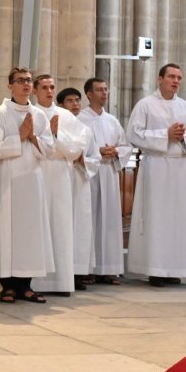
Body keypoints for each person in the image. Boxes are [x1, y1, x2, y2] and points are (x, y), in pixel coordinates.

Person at [125, 63, 186, 286]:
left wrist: (182, 137)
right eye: (171, 76)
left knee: (178, 218)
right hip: (156, 166)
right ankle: (155, 269)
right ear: (160, 79)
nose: (176, 81)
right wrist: (165, 134)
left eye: (179, 77)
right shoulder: (145, 105)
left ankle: (175, 268)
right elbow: (133, 133)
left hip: (179, 166)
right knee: (157, 216)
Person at [0, 67, 55, 303]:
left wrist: (33, 137)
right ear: (10, 86)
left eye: (28, 81)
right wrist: (20, 137)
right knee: (8, 230)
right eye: (20, 81)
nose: (26, 84)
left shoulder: (39, 114)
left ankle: (26, 285)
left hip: (32, 179)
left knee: (29, 232)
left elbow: (49, 148)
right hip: (7, 179)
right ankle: (7, 286)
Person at [30, 75, 87, 296]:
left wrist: (55, 134)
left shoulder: (66, 116)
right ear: (35, 90)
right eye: (44, 87)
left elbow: (76, 149)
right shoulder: (29, 113)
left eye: (52, 87)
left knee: (61, 224)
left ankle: (61, 281)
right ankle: (35, 282)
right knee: (38, 224)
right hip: (37, 171)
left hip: (60, 173)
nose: (49, 91)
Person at [80, 78, 133, 285]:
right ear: (89, 94)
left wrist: (115, 151)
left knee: (109, 221)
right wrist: (98, 151)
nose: (104, 93)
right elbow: (76, 144)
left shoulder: (112, 120)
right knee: (91, 220)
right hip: (90, 174)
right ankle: (88, 268)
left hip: (109, 173)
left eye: (105, 90)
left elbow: (125, 145)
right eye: (99, 90)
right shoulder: (81, 119)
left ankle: (108, 268)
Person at [56, 87, 101, 288]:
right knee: (64, 224)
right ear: (61, 105)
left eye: (77, 100)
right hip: (62, 177)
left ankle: (79, 272)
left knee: (80, 225)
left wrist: (84, 161)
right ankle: (63, 271)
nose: (75, 104)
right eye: (70, 101)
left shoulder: (86, 130)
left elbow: (95, 157)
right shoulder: (57, 125)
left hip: (80, 179)